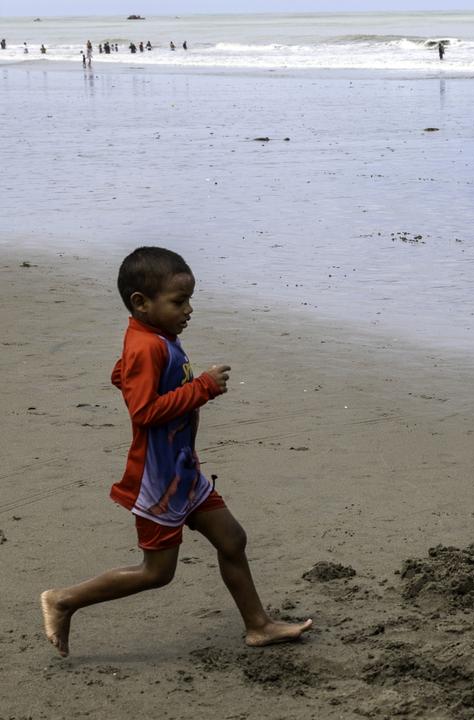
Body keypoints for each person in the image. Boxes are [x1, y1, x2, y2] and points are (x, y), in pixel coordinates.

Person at [40, 247, 313, 658]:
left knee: (233, 539)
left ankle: (258, 625)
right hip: (159, 481)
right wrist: (201, 387)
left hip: (183, 470)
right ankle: (63, 600)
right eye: (179, 301)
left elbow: (123, 376)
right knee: (157, 573)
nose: (188, 310)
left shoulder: (157, 338)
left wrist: (144, 379)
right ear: (141, 303)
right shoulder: (148, 346)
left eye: (189, 300)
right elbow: (144, 410)